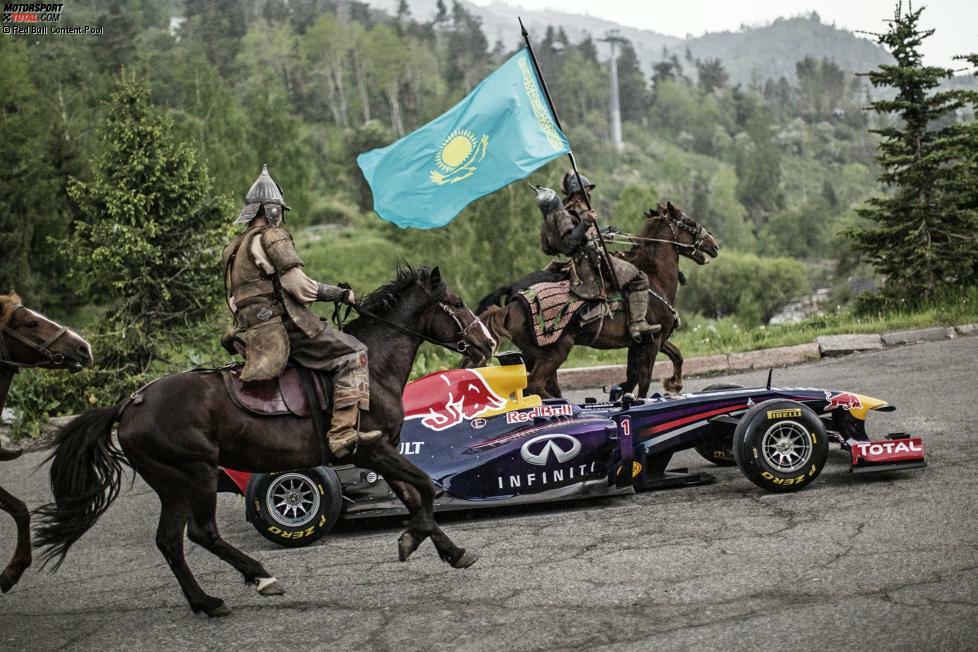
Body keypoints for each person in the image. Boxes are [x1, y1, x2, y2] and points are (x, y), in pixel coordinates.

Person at [221, 165, 382, 458]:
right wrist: (341, 294)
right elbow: (300, 288)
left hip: (254, 333)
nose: (280, 215)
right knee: (353, 354)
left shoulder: (234, 247)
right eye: (279, 210)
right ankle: (342, 433)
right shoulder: (272, 237)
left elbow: (233, 300)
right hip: (287, 328)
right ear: (271, 210)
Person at [537, 171, 659, 340]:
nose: (590, 193)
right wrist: (588, 221)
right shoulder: (572, 210)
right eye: (588, 190)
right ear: (579, 192)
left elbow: (581, 235)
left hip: (584, 256)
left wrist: (605, 230)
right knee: (639, 278)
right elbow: (575, 238)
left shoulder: (561, 213)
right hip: (590, 258)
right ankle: (637, 323)